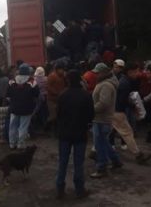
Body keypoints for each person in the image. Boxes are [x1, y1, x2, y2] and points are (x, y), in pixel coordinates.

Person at [55, 70, 94, 199]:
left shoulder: (62, 95)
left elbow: (58, 115)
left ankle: (60, 188)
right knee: (78, 163)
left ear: (68, 80)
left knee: (63, 162)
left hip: (64, 134)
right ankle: (79, 190)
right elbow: (91, 115)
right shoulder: (86, 95)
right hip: (80, 134)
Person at [112, 63, 151, 164]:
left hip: (113, 110)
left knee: (105, 132)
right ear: (130, 72)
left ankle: (95, 150)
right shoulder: (125, 83)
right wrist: (133, 106)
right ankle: (138, 154)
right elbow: (122, 100)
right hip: (118, 111)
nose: (137, 74)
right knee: (127, 132)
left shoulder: (123, 80)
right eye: (136, 72)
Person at [90, 63, 123, 178]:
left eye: (98, 73)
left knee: (100, 145)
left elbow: (104, 103)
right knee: (104, 142)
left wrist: (91, 109)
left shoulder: (106, 85)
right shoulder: (106, 84)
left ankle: (102, 167)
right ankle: (116, 161)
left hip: (101, 119)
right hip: (103, 119)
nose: (96, 75)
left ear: (103, 73)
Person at [7, 64, 40, 149]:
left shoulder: (12, 81)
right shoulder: (32, 82)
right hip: (27, 109)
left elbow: (8, 95)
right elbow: (36, 95)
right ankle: (20, 145)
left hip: (14, 108)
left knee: (12, 126)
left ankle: (12, 144)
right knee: (23, 127)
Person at [46, 64, 67, 131]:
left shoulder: (63, 76)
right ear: (57, 69)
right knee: (53, 116)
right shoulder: (52, 76)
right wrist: (56, 93)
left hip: (60, 99)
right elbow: (48, 87)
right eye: (62, 69)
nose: (63, 71)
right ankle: (46, 126)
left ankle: (56, 130)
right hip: (51, 99)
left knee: (59, 115)